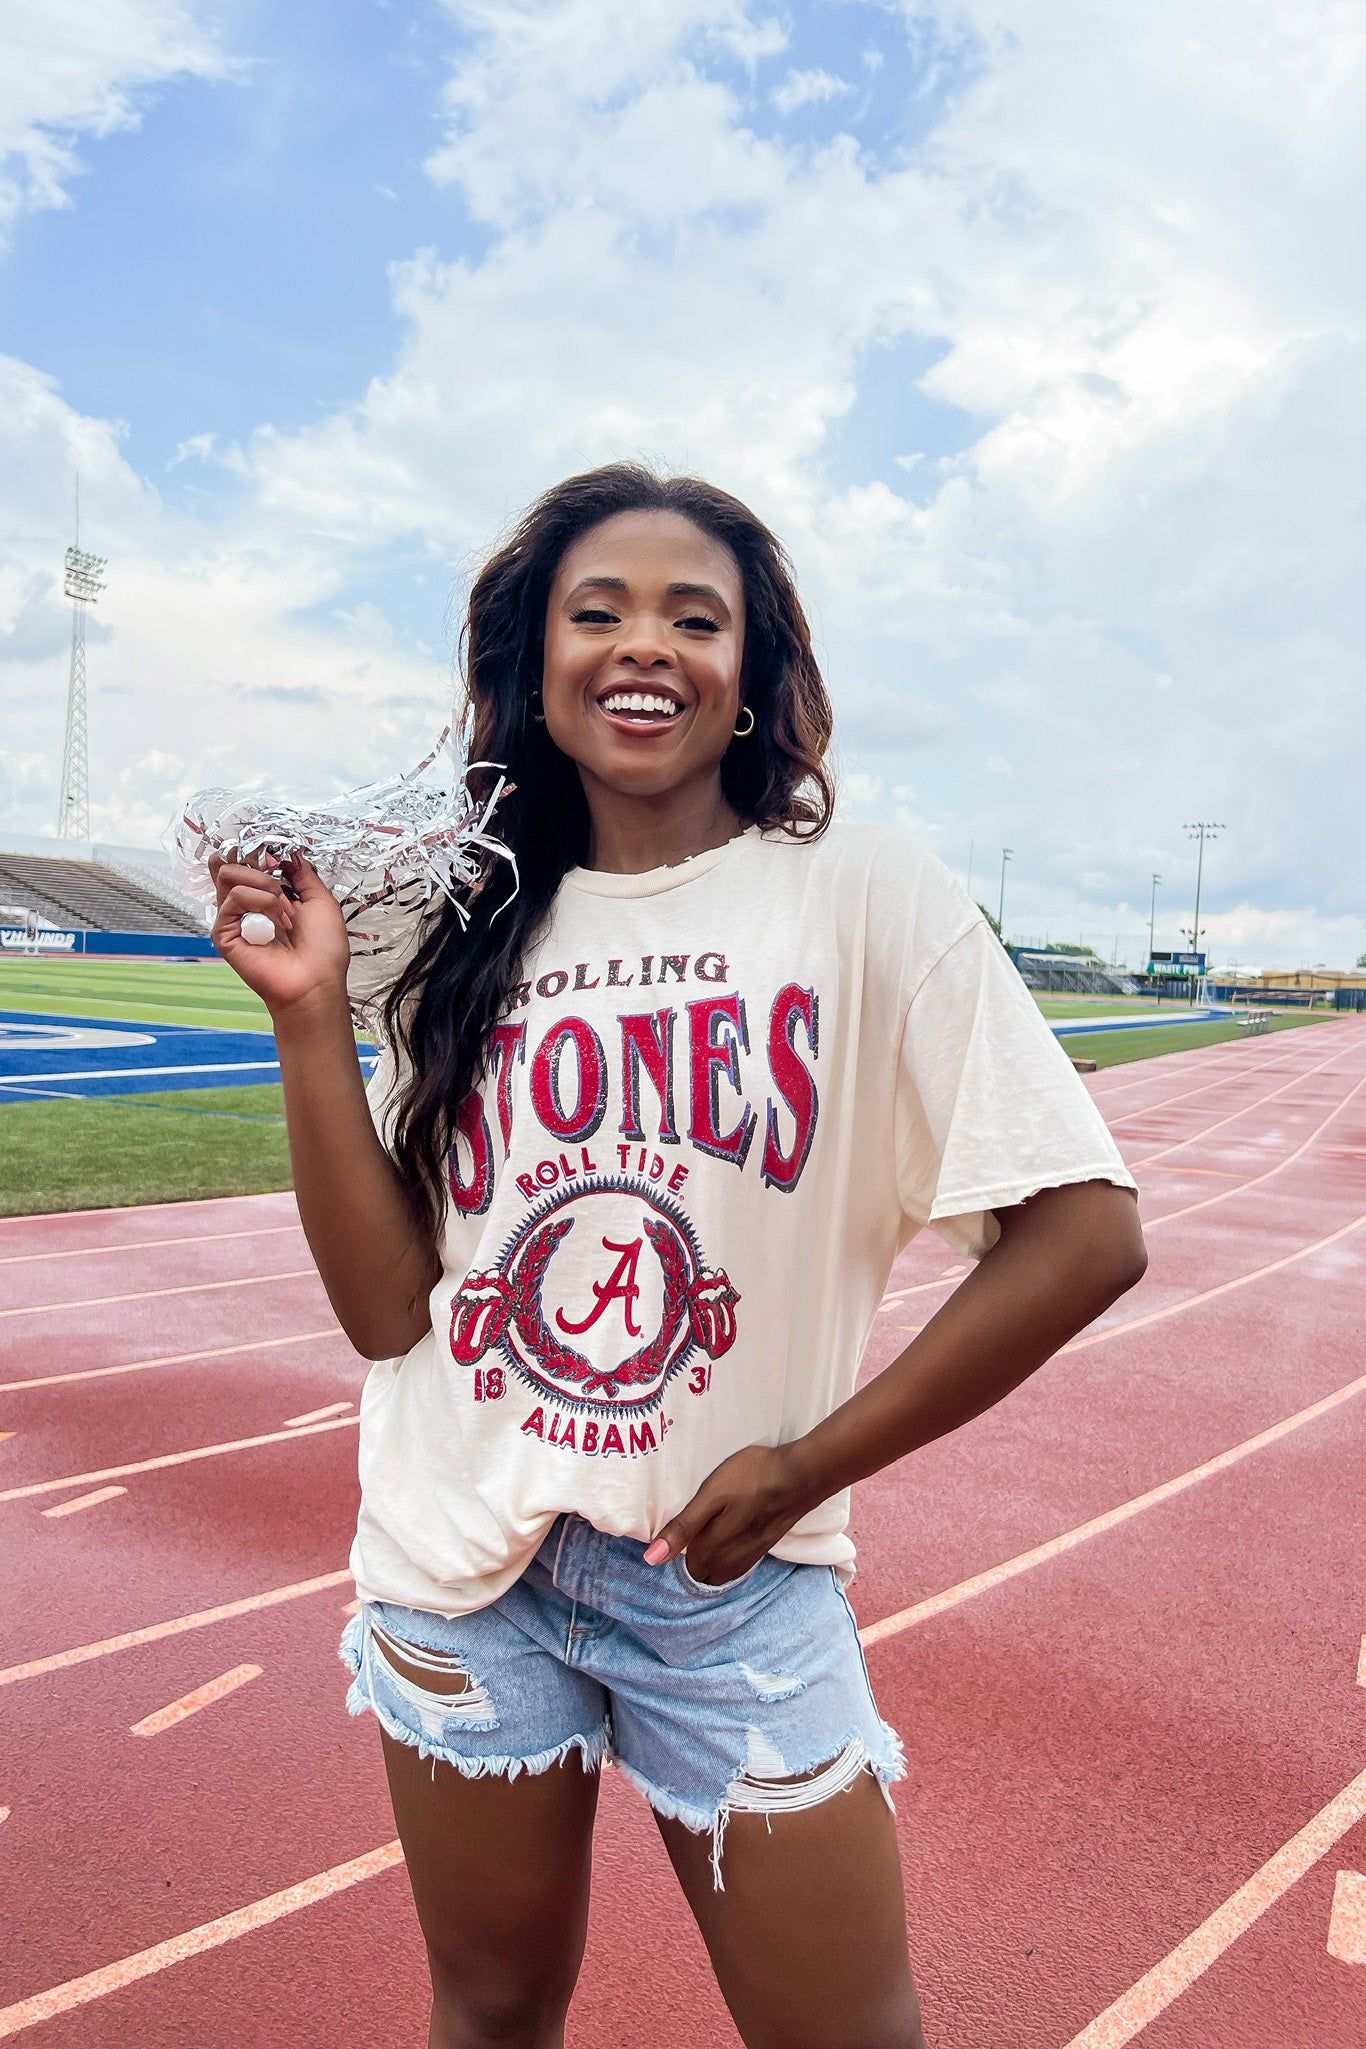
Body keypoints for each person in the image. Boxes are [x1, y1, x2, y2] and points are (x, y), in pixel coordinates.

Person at [208, 462, 1146, 2049]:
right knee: (491, 2007)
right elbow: (387, 1310)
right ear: (536, 661)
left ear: (750, 674)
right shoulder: (462, 930)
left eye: (692, 617)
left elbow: (1084, 1233)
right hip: (461, 1573)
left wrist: (802, 1467)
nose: (643, 644)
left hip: (731, 1573)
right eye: (599, 612)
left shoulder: (862, 893)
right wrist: (309, 1018)